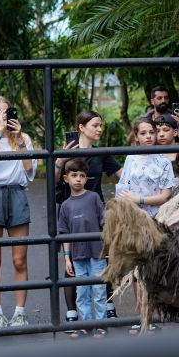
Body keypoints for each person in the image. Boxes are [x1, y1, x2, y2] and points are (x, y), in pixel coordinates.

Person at [53, 109, 123, 322]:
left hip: (96, 211)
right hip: (72, 210)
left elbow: (123, 174)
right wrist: (59, 160)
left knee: (103, 259)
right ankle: (72, 310)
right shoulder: (67, 152)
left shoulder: (101, 153)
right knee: (73, 260)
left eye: (101, 125)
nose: (99, 129)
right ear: (81, 127)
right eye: (95, 125)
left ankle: (107, 305)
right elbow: (53, 182)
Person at [0, 96, 37, 328]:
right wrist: (1, 132)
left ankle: (20, 312)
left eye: (7, 110)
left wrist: (19, 138)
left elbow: (30, 170)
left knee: (19, 260)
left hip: (16, 194)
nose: (3, 115)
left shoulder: (24, 139)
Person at [116, 117, 175, 334]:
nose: (149, 136)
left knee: (153, 268)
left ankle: (153, 316)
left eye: (151, 132)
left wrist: (139, 199)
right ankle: (141, 316)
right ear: (136, 136)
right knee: (136, 269)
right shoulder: (131, 158)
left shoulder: (163, 162)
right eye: (143, 133)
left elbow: (166, 195)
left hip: (156, 219)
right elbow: (122, 189)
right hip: (133, 219)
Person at [58, 159, 107, 338]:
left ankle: (101, 325)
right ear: (66, 178)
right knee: (82, 292)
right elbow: (64, 234)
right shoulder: (65, 205)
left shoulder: (93, 198)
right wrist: (67, 258)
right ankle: (86, 325)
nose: (78, 179)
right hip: (78, 256)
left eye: (82, 175)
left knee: (99, 290)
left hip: (97, 252)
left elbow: (104, 223)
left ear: (86, 178)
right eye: (74, 175)